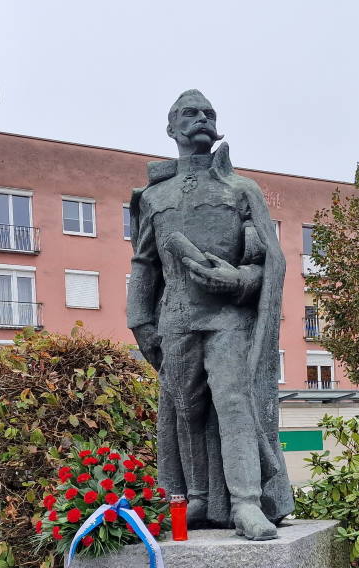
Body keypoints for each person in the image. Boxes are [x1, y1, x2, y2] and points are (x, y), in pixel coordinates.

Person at [127, 89, 293, 540]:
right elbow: (144, 264)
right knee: (185, 409)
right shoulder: (153, 197)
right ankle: (196, 498)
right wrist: (139, 321)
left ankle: (245, 502)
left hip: (227, 318)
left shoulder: (240, 189)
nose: (201, 118)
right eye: (189, 113)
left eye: (208, 113)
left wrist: (239, 280)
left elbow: (271, 261)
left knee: (234, 403)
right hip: (176, 318)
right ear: (171, 128)